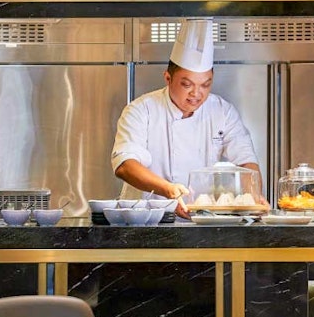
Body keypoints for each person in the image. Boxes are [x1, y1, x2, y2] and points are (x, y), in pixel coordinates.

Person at [111, 19, 262, 216]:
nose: (196, 93)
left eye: (205, 85)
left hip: (203, 219)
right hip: (148, 221)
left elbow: (246, 162)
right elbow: (125, 165)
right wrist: (168, 190)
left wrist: (254, 196)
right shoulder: (140, 110)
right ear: (168, 78)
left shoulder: (222, 111)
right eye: (187, 84)